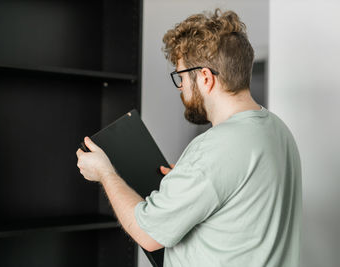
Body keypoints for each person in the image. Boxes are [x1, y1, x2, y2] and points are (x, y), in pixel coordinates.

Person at [76, 9, 302, 267]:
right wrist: (190, 182)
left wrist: (106, 173)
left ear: (205, 78)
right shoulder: (278, 130)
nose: (181, 87)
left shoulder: (213, 149)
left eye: (181, 77)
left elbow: (148, 234)